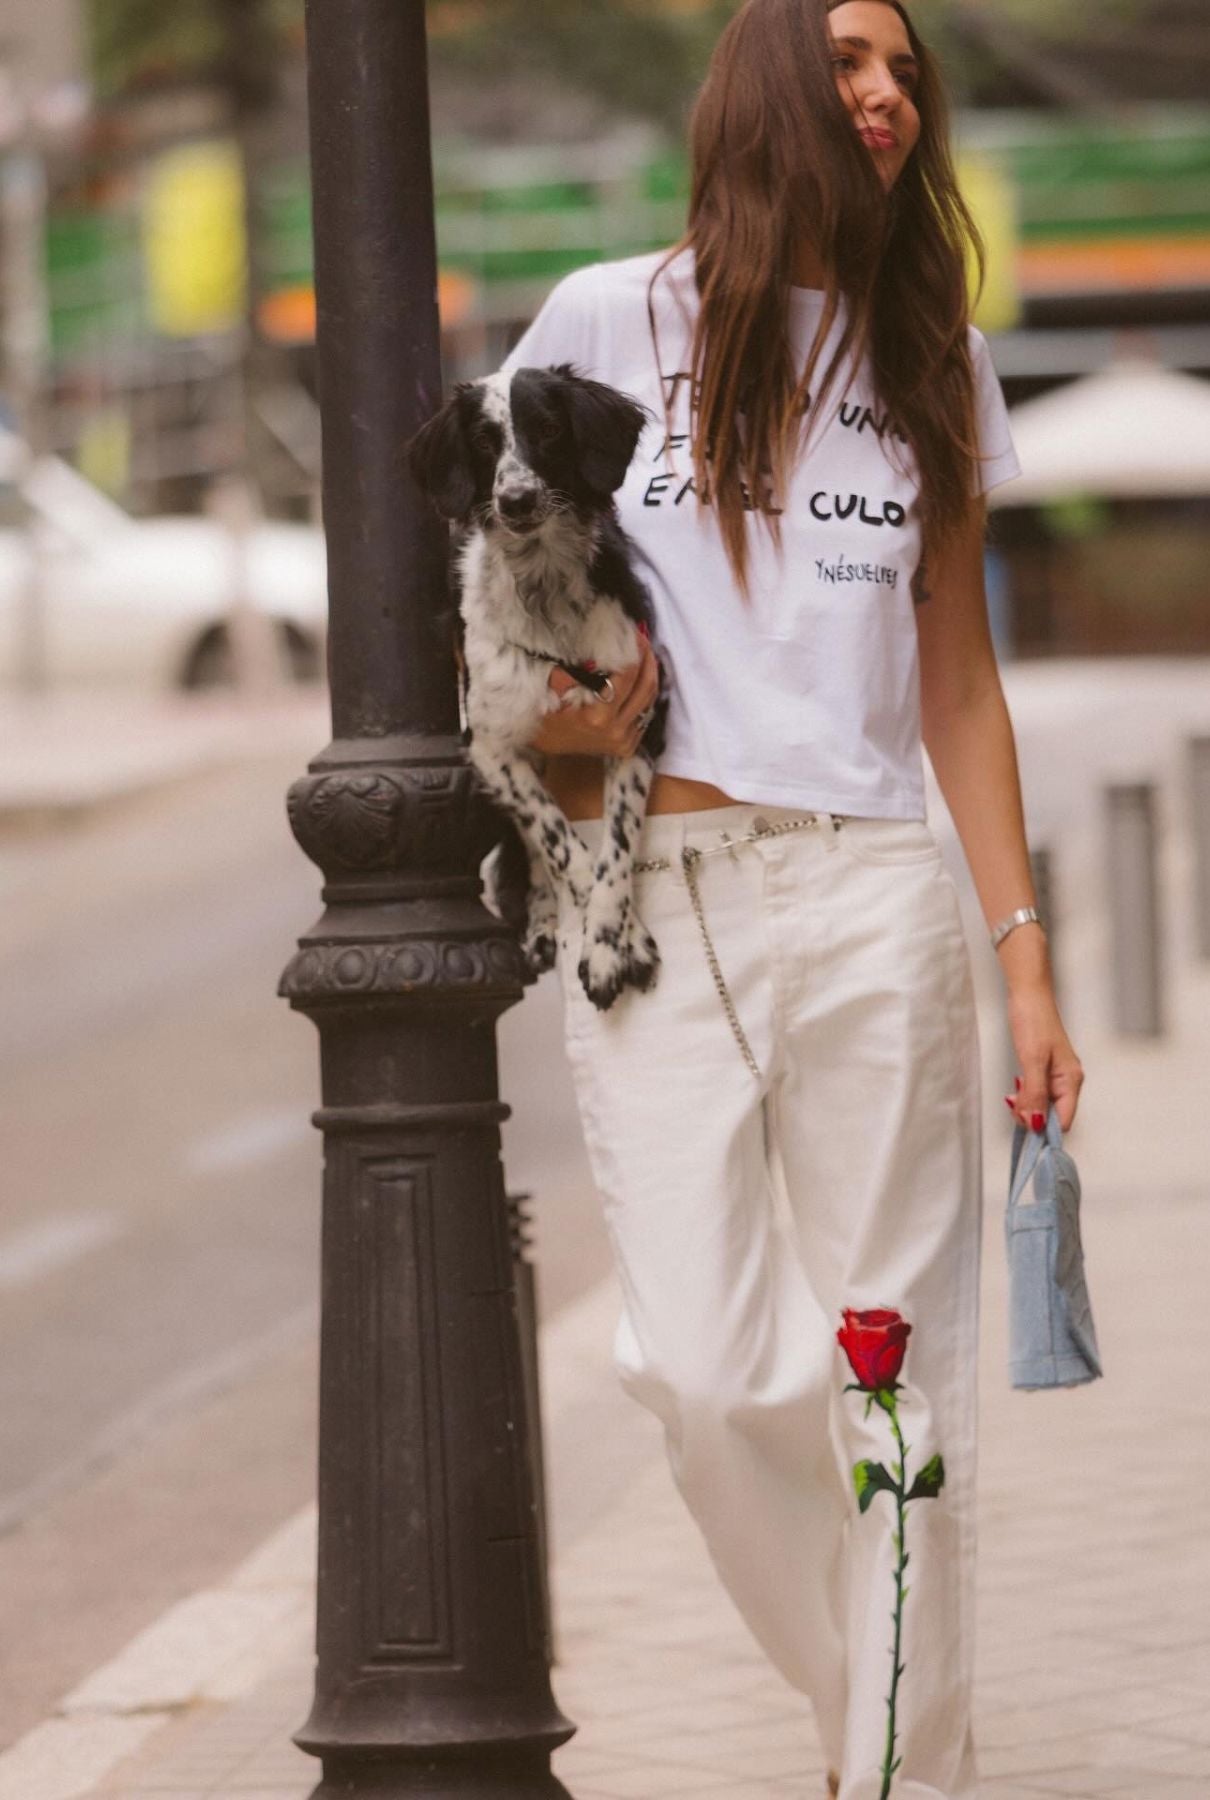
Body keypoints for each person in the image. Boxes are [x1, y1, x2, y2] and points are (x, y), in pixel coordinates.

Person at [497, 3, 1084, 1796]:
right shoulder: (606, 324)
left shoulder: (931, 357)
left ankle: (894, 1770)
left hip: (867, 904)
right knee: (694, 1366)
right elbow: (504, 604)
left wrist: (1028, 961)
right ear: (764, 86)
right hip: (655, 910)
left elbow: (958, 684)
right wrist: (566, 729)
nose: (887, 93)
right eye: (847, 59)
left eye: (905, 68)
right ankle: (871, 1708)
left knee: (890, 1382)